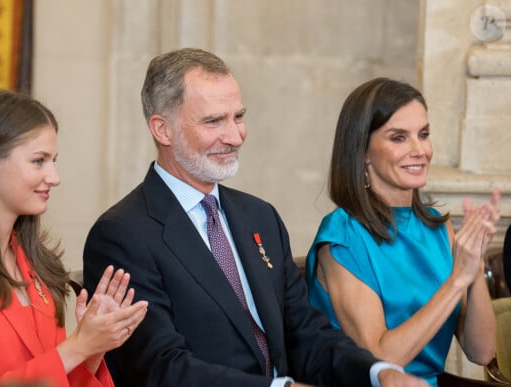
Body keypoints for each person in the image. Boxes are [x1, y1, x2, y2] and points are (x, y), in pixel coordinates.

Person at [83, 48, 427, 386]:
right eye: (214, 121)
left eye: (238, 117)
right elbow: (159, 369)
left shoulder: (260, 217)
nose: (235, 136)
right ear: (163, 130)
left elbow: (307, 335)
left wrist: (380, 373)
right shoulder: (123, 234)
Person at [0, 90, 148, 386]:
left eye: (53, 160)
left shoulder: (35, 260)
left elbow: (53, 374)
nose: (54, 176)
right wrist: (78, 346)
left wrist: (93, 346)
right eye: (39, 161)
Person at [305, 78, 499, 386]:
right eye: (399, 138)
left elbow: (483, 352)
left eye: (423, 134)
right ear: (363, 151)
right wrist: (457, 279)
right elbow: (380, 361)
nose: (420, 150)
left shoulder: (438, 226)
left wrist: (473, 269)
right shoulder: (342, 237)